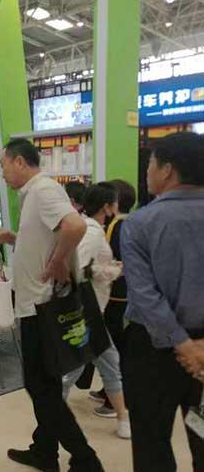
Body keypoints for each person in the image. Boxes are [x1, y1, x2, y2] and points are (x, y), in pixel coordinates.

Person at [0, 138, 104, 472]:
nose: (2, 172)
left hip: (41, 306)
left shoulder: (43, 190)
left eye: (3, 164)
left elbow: (74, 225)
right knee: (46, 385)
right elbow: (48, 235)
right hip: (34, 304)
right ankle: (44, 451)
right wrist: (12, 238)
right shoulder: (32, 195)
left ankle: (86, 460)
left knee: (40, 386)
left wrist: (58, 261)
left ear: (19, 161)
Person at [121, 132, 204, 472]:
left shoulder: (139, 223)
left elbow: (145, 294)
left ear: (167, 169)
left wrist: (183, 345)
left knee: (152, 441)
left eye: (151, 163)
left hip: (152, 351)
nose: (148, 171)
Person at [61, 182, 130, 440]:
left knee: (105, 362)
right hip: (86, 310)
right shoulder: (92, 231)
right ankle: (52, 417)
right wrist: (110, 271)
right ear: (106, 206)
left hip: (89, 309)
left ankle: (122, 418)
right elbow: (77, 268)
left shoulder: (90, 228)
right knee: (76, 368)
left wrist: (106, 268)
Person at [89, 179, 137, 414]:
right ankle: (109, 390)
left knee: (112, 346)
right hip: (118, 291)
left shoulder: (115, 226)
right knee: (109, 346)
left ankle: (115, 398)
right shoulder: (127, 223)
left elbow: (113, 260)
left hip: (115, 293)